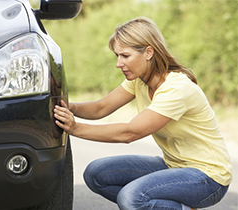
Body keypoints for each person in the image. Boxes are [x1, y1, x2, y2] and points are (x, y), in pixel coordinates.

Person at [53, 17, 232, 210]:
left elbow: (130, 133)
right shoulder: (139, 80)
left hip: (208, 177)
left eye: (125, 56)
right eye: (117, 56)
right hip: (173, 166)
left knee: (131, 197)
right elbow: (101, 107)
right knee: (96, 174)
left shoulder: (176, 88)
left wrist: (76, 128)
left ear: (148, 52)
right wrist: (69, 107)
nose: (118, 63)